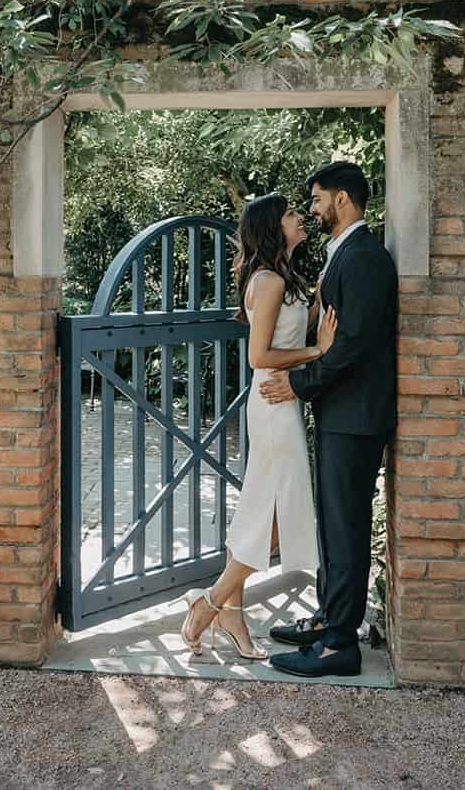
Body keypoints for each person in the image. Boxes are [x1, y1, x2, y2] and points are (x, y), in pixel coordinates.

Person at [178, 193, 337, 660]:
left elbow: (292, 328)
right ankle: (209, 603)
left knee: (259, 511)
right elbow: (259, 356)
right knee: (271, 520)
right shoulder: (266, 281)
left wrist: (318, 301)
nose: (299, 218)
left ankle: (230, 611)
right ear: (273, 226)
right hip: (271, 399)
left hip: (282, 400)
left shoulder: (283, 277)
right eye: (290, 215)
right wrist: (317, 351)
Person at [258, 162, 398, 678]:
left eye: (316, 199)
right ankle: (327, 620)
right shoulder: (347, 255)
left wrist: (297, 383)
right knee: (335, 527)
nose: (312, 208)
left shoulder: (363, 258)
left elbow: (353, 347)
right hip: (343, 412)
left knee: (346, 529)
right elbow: (334, 338)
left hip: (355, 415)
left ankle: (340, 643)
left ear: (341, 199)